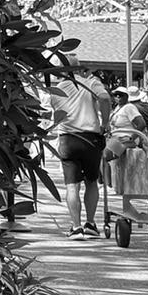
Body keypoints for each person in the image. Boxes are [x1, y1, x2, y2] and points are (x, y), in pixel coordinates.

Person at [46, 69, 111, 238]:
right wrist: (105, 122)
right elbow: (104, 98)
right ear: (81, 70)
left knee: (72, 185)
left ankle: (76, 226)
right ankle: (90, 223)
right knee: (91, 182)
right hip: (90, 137)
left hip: (68, 138)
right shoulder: (91, 82)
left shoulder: (57, 89)